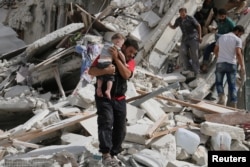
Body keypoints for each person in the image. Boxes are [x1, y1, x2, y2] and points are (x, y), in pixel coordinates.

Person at [88, 38, 139, 167]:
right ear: (124, 47)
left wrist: (117, 59)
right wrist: (105, 71)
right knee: (106, 122)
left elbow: (127, 75)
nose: (131, 55)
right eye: (130, 51)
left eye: (134, 53)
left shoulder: (130, 62)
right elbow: (91, 71)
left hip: (120, 98)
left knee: (120, 127)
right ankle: (105, 154)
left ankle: (114, 153)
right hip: (104, 97)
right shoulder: (105, 55)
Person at [214, 25, 245, 108]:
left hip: (220, 63)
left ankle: (221, 98)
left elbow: (215, 50)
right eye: (240, 34)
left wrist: (219, 57)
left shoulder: (221, 37)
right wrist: (242, 66)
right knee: (232, 85)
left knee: (219, 82)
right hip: (231, 64)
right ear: (237, 31)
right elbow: (238, 53)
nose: (240, 36)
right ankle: (233, 102)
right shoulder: (237, 40)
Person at [169, 7, 202, 77]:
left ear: (186, 13)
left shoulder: (190, 18)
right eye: (181, 14)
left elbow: (198, 26)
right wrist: (169, 24)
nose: (182, 15)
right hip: (185, 38)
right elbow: (174, 27)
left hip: (193, 37)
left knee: (194, 54)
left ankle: (197, 71)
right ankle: (188, 68)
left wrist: (200, 36)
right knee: (182, 51)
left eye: (183, 14)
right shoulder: (178, 20)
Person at [201, 8, 235, 73]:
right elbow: (219, 27)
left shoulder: (230, 22)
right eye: (220, 16)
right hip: (219, 40)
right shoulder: (219, 20)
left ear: (225, 15)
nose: (221, 18)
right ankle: (205, 65)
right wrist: (215, 29)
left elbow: (235, 32)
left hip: (226, 42)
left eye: (222, 16)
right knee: (208, 49)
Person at [96, 33, 126, 99]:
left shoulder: (106, 44)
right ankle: (108, 90)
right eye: (122, 44)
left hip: (100, 62)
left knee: (100, 77)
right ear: (118, 42)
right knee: (110, 77)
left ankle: (99, 88)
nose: (122, 46)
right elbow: (121, 55)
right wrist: (124, 63)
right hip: (107, 63)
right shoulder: (115, 46)